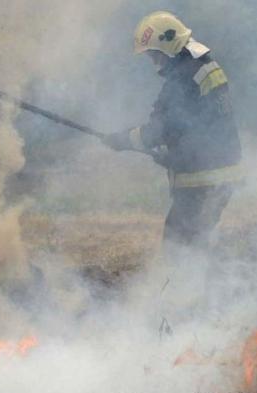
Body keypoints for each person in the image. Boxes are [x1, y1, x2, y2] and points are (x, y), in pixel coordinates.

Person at [103, 11, 242, 255]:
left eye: (154, 55)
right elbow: (201, 126)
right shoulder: (204, 66)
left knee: (177, 248)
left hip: (201, 180)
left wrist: (124, 140)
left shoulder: (184, 78)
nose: (154, 62)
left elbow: (161, 129)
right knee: (197, 243)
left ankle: (189, 290)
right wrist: (173, 156)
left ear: (167, 46)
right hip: (223, 173)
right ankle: (212, 287)